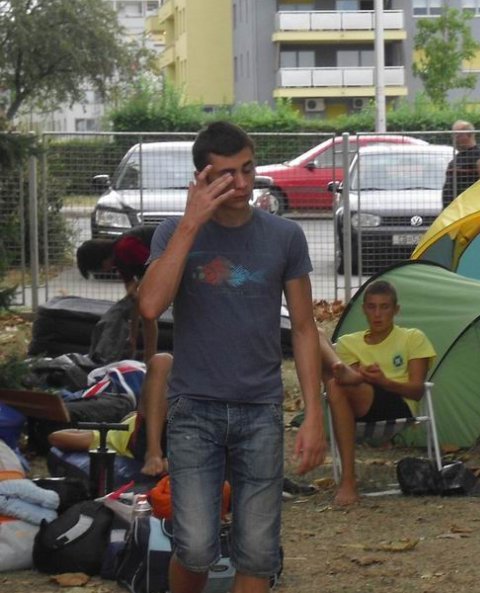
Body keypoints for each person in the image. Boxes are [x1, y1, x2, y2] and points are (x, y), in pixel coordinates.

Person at [138, 121, 325, 593]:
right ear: (201, 178)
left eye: (247, 169)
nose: (241, 185)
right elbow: (149, 305)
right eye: (225, 175)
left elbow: (304, 328)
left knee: (258, 553)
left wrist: (313, 414)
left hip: (260, 409)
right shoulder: (173, 233)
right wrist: (191, 221)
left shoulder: (284, 236)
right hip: (193, 409)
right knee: (196, 549)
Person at [325, 280, 436, 506]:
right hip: (355, 406)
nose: (378, 314)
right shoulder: (348, 343)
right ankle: (353, 375)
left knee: (337, 385)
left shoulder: (412, 337)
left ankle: (348, 482)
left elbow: (416, 391)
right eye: (372, 307)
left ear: (396, 310)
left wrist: (384, 382)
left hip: (397, 402)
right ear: (364, 309)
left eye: (384, 307)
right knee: (315, 336)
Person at [48, 352, 172, 477]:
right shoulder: (108, 437)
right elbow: (56, 438)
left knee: (163, 362)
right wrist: (100, 429)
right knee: (161, 361)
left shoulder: (112, 431)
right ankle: (154, 453)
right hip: (152, 439)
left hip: (176, 428)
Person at [76, 225, 159, 360]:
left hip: (177, 251)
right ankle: (147, 357)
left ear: (102, 260)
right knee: (144, 309)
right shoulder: (119, 260)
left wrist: (138, 286)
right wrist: (132, 337)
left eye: (97, 268)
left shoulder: (125, 247)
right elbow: (134, 300)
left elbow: (157, 266)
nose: (101, 272)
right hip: (160, 264)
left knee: (148, 312)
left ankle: (150, 359)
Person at [441, 120, 480, 207]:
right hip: (451, 209)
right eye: (453, 135)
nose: (454, 138)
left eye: (457, 135)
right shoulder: (456, 158)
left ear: (468, 135)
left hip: (467, 208)